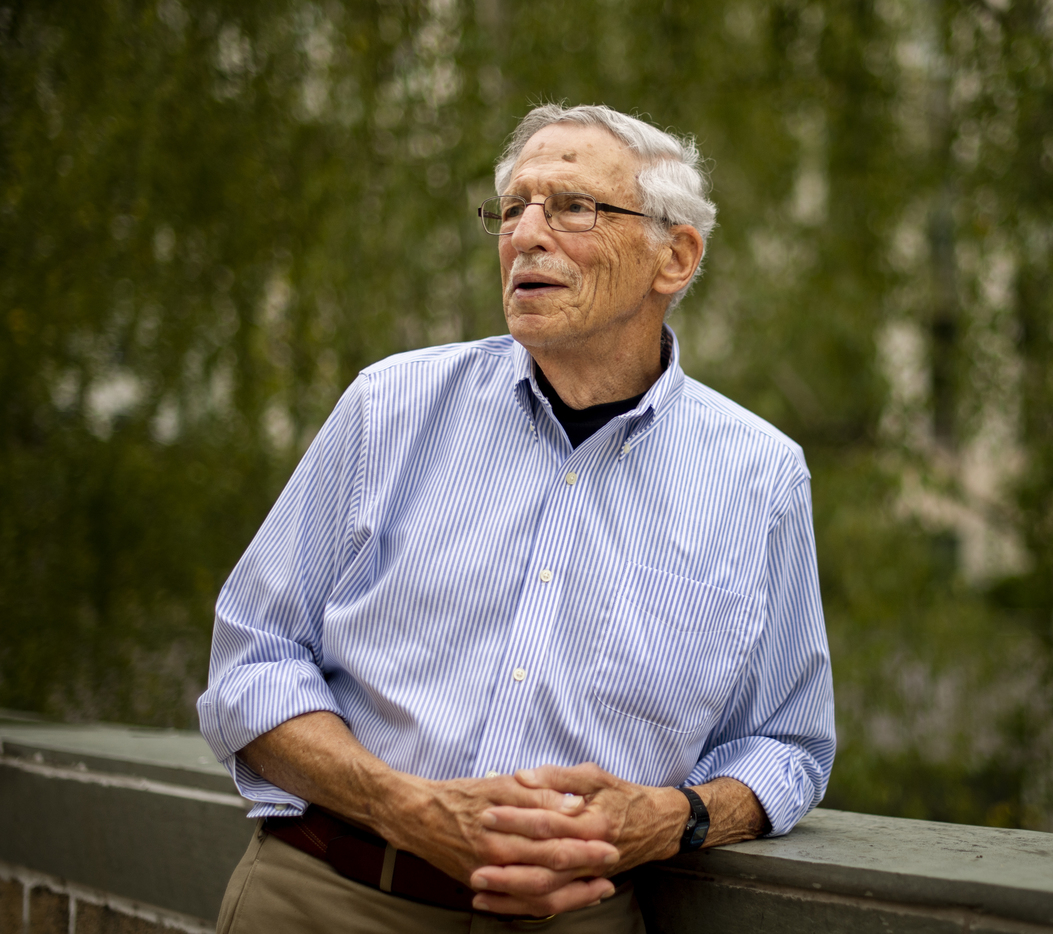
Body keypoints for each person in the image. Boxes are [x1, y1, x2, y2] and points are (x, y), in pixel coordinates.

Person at [198, 103, 835, 933]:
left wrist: (670, 818)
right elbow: (253, 664)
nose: (526, 235)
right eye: (512, 208)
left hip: (576, 919)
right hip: (328, 895)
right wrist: (408, 807)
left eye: (573, 207)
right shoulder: (388, 406)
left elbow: (788, 747)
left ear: (673, 257)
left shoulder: (760, 476)